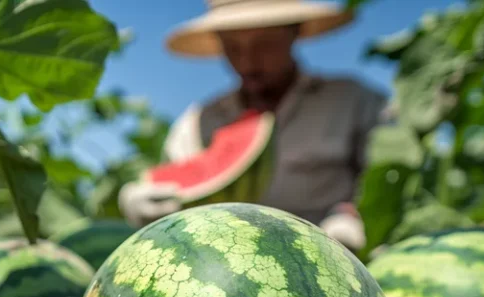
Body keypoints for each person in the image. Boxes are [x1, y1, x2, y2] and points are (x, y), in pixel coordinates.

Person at [118, 0, 390, 251]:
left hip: (336, 265)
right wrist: (141, 201)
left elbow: (392, 178)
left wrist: (353, 215)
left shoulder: (354, 101)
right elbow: (181, 196)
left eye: (265, 45)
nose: (248, 62)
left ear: (294, 32)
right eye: (233, 48)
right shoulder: (197, 122)